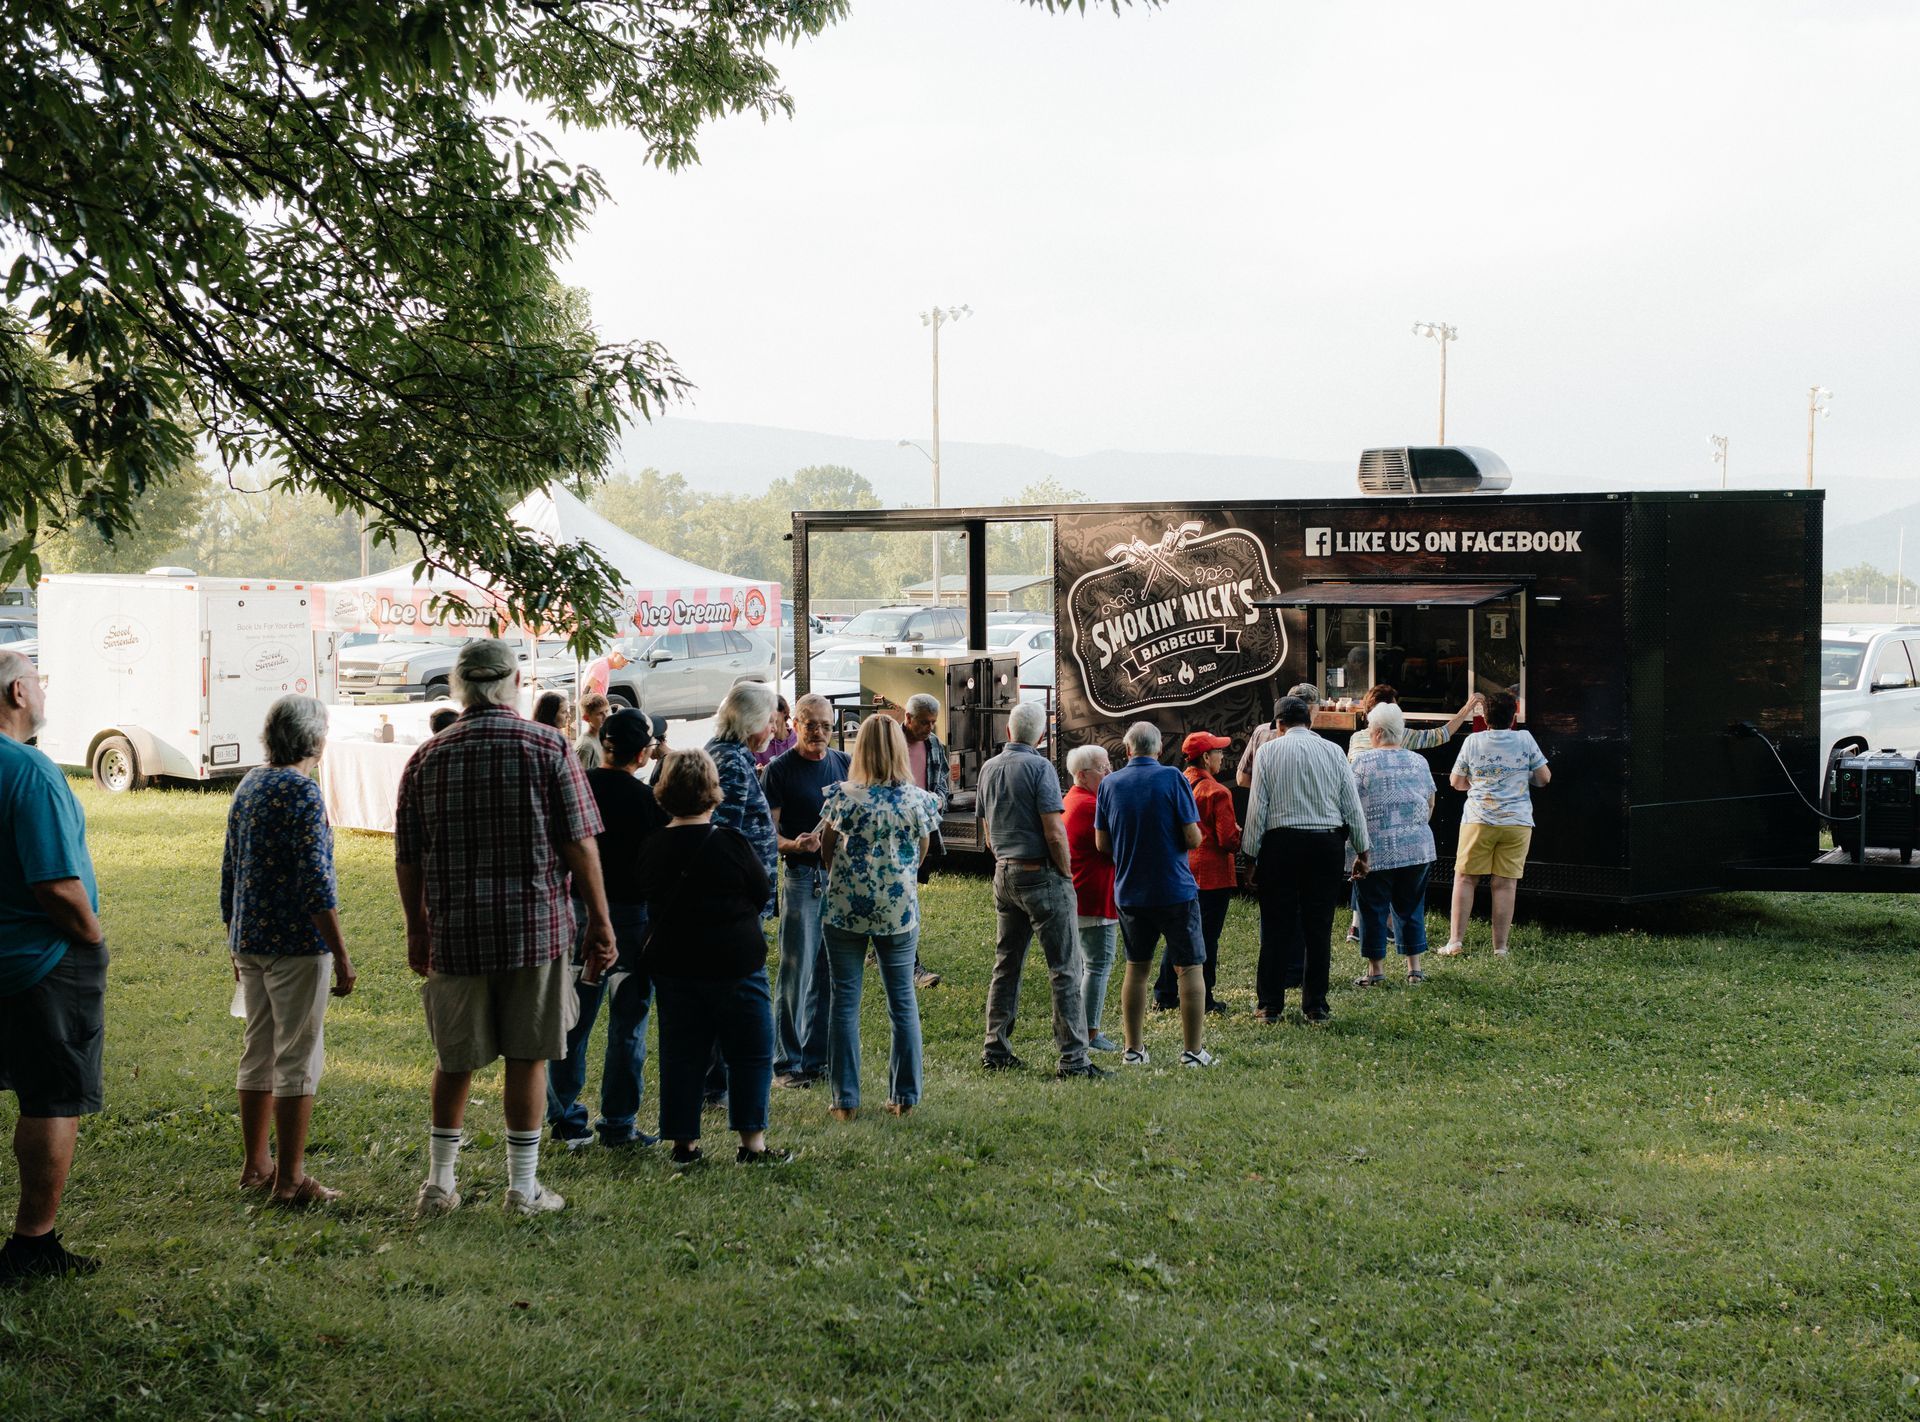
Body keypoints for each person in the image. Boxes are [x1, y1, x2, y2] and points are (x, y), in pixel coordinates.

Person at [395, 638, 616, 1217]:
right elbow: (579, 843)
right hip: (534, 927)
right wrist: (600, 918)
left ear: (459, 687)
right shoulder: (549, 748)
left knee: (454, 1061)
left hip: (455, 931)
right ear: (514, 683)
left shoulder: (427, 757)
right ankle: (523, 1188)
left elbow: (409, 856)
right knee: (529, 1057)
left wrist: (416, 930)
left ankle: (440, 1185)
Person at [223, 694, 357, 1206]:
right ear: (315, 739)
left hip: (251, 940)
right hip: (297, 946)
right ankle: (291, 1180)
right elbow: (316, 885)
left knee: (258, 1050)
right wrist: (341, 954)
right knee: (298, 1056)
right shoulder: (304, 792)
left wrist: (232, 937)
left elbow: (230, 869)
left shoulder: (250, 783)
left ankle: (257, 1165)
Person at [0, 649, 105, 1281]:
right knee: (51, 1099)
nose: (44, 691)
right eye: (39, 680)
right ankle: (32, 1244)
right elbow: (56, 883)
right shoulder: (30, 771)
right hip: (39, 963)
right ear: (17, 691)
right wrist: (90, 937)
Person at [638, 748, 791, 1166]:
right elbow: (761, 892)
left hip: (675, 964)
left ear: (664, 791)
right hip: (735, 962)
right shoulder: (731, 843)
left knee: (681, 1052)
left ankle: (683, 1145)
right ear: (713, 791)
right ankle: (751, 1144)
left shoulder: (653, 846)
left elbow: (645, 894)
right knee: (751, 1050)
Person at [546, 709, 668, 1149]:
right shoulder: (647, 801)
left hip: (579, 911)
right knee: (628, 1022)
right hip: (632, 918)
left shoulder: (580, 789)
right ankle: (618, 1121)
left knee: (573, 1019)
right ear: (642, 752)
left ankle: (563, 1115)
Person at [817, 715, 939, 1119]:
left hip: (845, 907)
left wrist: (848, 876)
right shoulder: (918, 800)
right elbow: (921, 852)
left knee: (844, 1002)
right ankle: (904, 1096)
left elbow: (827, 848)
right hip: (898, 910)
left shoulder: (843, 796)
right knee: (902, 999)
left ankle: (844, 1100)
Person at [976, 699, 1099, 1078]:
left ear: (1009, 732)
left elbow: (986, 828)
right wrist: (1064, 874)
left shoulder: (988, 768)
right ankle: (1073, 1059)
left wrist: (1004, 857)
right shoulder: (1040, 767)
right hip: (1040, 873)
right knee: (1064, 968)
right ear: (1042, 736)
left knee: (1006, 964)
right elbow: (1053, 829)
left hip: (1004, 873)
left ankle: (996, 1048)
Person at [1242, 696, 1370, 1024]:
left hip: (1281, 845)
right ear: (1309, 722)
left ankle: (1269, 1005)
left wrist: (1250, 856)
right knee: (1319, 927)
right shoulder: (1333, 751)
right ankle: (1316, 1006)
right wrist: (1362, 850)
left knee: (1276, 926)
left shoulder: (1269, 751)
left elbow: (1258, 808)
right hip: (1325, 845)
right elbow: (1350, 804)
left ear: (1279, 724)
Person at [1096, 722, 1215, 1068]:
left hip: (1130, 891)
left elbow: (1102, 844)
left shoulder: (1109, 784)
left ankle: (1133, 1050)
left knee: (1136, 968)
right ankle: (1193, 1052)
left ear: (1127, 749)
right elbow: (1192, 838)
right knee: (1190, 967)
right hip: (1175, 889)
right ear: (1159, 749)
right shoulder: (1173, 778)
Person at [1342, 684, 1479, 944]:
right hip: (1393, 814)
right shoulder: (1400, 736)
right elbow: (1441, 735)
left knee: (1364, 867)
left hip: (1362, 812)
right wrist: (1466, 709)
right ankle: (1393, 931)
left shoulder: (1356, 738)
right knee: (1396, 873)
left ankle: (1357, 926)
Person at [764, 694, 849, 1090]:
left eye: (826, 725)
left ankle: (817, 1060)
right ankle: (786, 1063)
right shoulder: (779, 770)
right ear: (794, 724)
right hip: (800, 878)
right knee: (796, 972)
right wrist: (795, 846)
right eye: (811, 724)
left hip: (837, 880)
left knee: (830, 972)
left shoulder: (842, 764)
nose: (819, 733)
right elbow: (769, 834)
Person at [702, 681, 781, 1107]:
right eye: (769, 719)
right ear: (751, 722)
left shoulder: (731, 755)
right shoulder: (730, 762)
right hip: (735, 904)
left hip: (741, 900)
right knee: (735, 995)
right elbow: (726, 838)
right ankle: (717, 1085)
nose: (773, 727)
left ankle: (716, 1082)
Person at [1439, 690, 1549, 957]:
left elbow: (1456, 781)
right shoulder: (1525, 739)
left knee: (1465, 879)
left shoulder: (1474, 741)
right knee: (1505, 884)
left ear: (1485, 716)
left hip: (1478, 820)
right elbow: (1544, 778)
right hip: (1517, 822)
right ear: (1513, 717)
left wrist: (1473, 784)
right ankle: (1500, 948)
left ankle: (1455, 942)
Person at [1348, 702, 1437, 985]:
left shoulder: (1362, 763)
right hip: (1417, 847)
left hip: (1375, 849)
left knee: (1373, 907)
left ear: (1374, 733)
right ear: (1400, 733)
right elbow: (1430, 801)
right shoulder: (1418, 761)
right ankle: (1415, 969)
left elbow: (1351, 807)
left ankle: (1376, 972)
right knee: (1411, 906)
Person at [1153, 730, 1239, 1015]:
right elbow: (1227, 840)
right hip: (1213, 877)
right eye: (1218, 751)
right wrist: (1242, 835)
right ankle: (1205, 996)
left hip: (1181, 871)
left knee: (1179, 934)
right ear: (1206, 757)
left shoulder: (1177, 786)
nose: (1222, 755)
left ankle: (1164, 994)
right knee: (1208, 938)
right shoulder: (1218, 792)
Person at [1063, 743, 1120, 1053]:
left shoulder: (1074, 800)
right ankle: (1090, 1032)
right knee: (1098, 963)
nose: (1109, 771)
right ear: (1083, 775)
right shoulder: (1090, 807)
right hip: (1094, 897)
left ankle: (1080, 1028)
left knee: (1087, 965)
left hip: (1081, 893)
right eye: (1103, 767)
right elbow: (1112, 847)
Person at [900, 693, 951, 989]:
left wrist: (939, 801)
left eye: (933, 722)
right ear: (908, 718)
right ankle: (913, 967)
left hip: (922, 826)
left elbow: (942, 780)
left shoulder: (934, 744)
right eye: (923, 722)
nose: (929, 728)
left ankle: (881, 949)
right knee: (906, 897)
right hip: (897, 825)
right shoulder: (890, 741)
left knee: (910, 891)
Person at [1238, 682, 1322, 788]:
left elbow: (1241, 779)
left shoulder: (1261, 731)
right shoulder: (1316, 742)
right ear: (1312, 710)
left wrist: (1266, 792)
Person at [754, 695, 796, 770]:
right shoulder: (757, 742)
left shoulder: (799, 739)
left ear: (784, 712)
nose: (766, 717)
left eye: (770, 712)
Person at [575, 693, 612, 770]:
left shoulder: (602, 738)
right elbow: (582, 779)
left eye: (607, 711)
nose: (606, 716)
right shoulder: (585, 747)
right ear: (586, 718)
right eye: (600, 713)